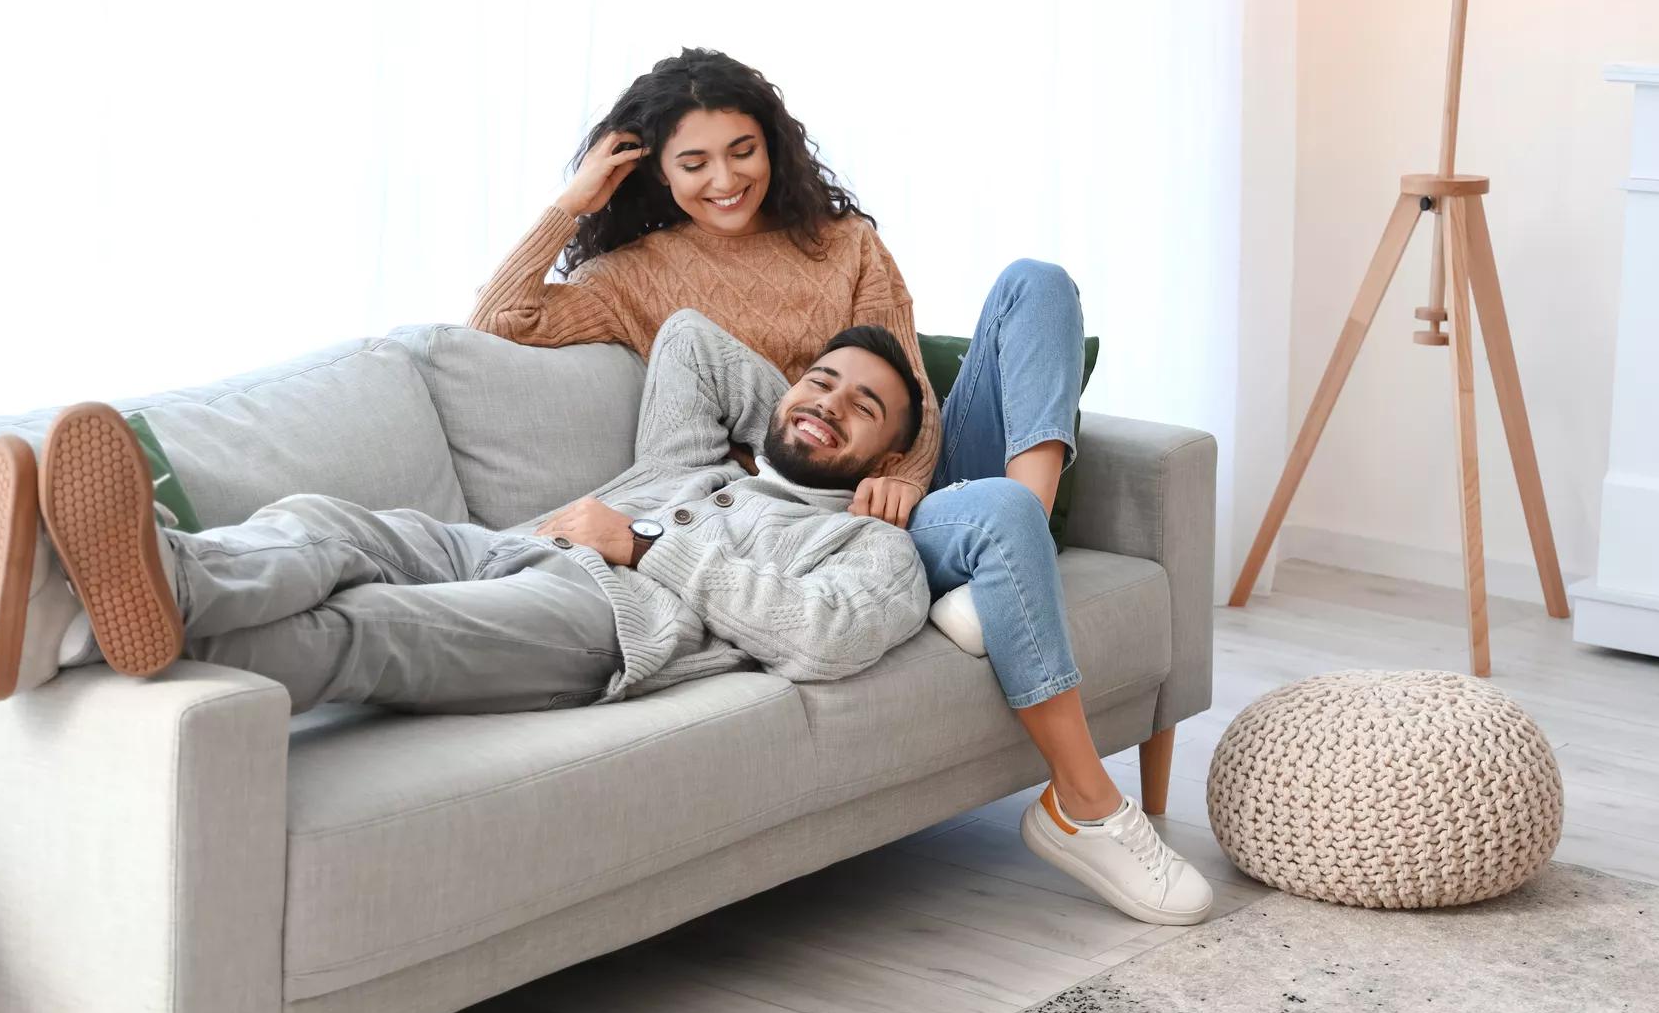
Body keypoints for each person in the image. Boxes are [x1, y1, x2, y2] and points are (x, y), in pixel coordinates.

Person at [472, 48, 1210, 926]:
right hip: (817, 529)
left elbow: (917, 396)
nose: (723, 179)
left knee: (1037, 284)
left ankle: (1019, 545)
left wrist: (900, 477)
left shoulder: (845, 242)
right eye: (693, 161)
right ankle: (1081, 798)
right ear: (654, 171)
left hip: (912, 491)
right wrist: (569, 205)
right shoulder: (638, 276)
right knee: (994, 511)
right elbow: (499, 322)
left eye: (741, 149)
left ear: (773, 144)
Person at [0, 311, 929, 716]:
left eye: (860, 408)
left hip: (611, 622)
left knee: (369, 626)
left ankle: (76, 619)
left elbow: (823, 639)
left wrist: (637, 545)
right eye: (820, 379)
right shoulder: (694, 450)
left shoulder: (869, 544)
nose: (825, 402)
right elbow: (688, 339)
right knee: (326, 524)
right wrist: (795, 415)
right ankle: (142, 578)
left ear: (886, 452)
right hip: (512, 549)